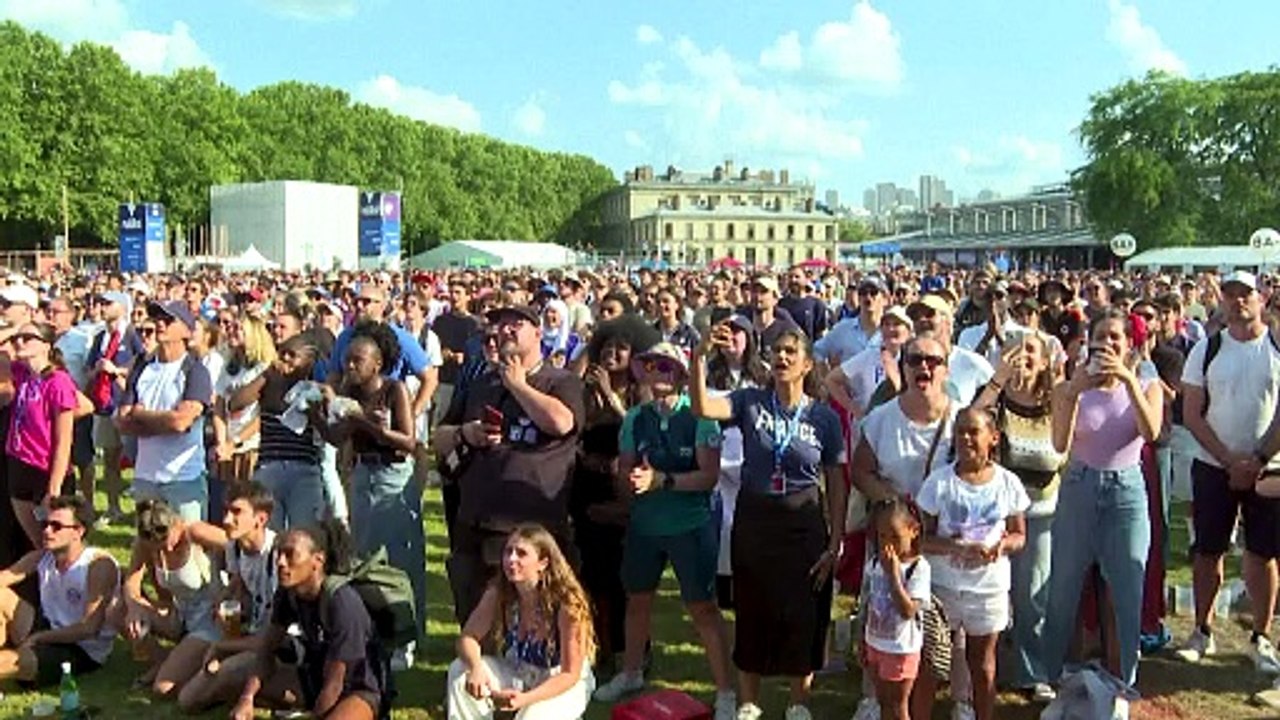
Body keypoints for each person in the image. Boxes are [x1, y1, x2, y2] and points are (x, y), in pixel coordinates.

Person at [691, 327, 848, 720]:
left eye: (791, 352)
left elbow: (836, 481)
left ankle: (798, 702)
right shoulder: (750, 401)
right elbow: (702, 408)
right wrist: (699, 356)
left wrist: (836, 539)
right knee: (753, 605)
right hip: (756, 518)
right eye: (776, 351)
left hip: (804, 520)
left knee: (804, 610)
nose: (782, 357)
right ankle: (748, 701)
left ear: (807, 364)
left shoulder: (824, 418)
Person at [591, 343, 735, 718]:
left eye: (667, 367)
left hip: (691, 524)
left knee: (702, 607)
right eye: (652, 366)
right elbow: (625, 469)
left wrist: (662, 480)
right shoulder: (635, 418)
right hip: (645, 523)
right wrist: (627, 477)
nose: (659, 373)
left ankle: (725, 691)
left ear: (682, 375)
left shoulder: (701, 418)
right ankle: (632, 672)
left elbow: (708, 476)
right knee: (637, 599)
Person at [434, 303, 585, 626]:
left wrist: (518, 385)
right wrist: (466, 432)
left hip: (530, 526)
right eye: (501, 324)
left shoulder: (561, 381)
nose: (507, 329)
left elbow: (560, 423)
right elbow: (438, 437)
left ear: (538, 333)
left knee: (529, 620)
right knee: (473, 613)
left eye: (517, 323)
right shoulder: (482, 383)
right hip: (474, 520)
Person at [1043, 308, 1162, 712]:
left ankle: (1124, 680)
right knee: (1063, 585)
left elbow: (1152, 433)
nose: (1108, 346)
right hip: (1078, 484)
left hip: (1126, 490)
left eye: (1116, 338)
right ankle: (1056, 675)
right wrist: (1073, 390)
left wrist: (1127, 379)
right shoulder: (1070, 387)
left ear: (1130, 345)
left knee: (1128, 584)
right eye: (1101, 338)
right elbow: (1060, 443)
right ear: (1087, 343)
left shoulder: (1147, 384)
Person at [849, 333, 958, 720]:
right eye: (914, 360)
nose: (923, 368)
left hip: (941, 545)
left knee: (929, 634)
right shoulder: (881, 419)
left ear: (947, 367)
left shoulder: (960, 419)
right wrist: (891, 503)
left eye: (932, 360)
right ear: (904, 366)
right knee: (881, 619)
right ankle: (874, 699)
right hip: (893, 540)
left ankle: (922, 707)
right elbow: (860, 470)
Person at [1177, 270, 1280, 674]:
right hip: (1212, 466)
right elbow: (1192, 412)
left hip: (1269, 467)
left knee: (1264, 554)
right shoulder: (1206, 348)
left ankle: (1261, 635)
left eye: (1246, 295)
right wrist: (1227, 460)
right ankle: (1202, 629)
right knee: (1207, 552)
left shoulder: (1276, 347)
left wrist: (1255, 458)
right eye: (1231, 294)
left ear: (1262, 298)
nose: (1238, 302)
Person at [316, 321, 424, 648]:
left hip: (393, 476)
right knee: (364, 555)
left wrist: (367, 423)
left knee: (400, 557)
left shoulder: (394, 390)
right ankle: (375, 628)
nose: (349, 367)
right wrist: (317, 418)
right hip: (363, 474)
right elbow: (338, 437)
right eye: (347, 360)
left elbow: (407, 441)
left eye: (357, 360)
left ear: (376, 363)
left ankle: (408, 635)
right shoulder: (348, 393)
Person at [916, 407, 1028, 720]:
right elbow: (920, 540)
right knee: (931, 664)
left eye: (973, 431)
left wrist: (1001, 546)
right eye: (961, 431)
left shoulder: (1008, 483)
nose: (965, 438)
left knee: (983, 664)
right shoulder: (938, 483)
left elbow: (1020, 535)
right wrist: (955, 546)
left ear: (993, 437)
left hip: (988, 589)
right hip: (944, 588)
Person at [972, 334, 1063, 701]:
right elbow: (971, 422)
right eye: (1015, 349)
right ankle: (980, 673)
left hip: (1042, 512)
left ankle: (1030, 671)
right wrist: (997, 380)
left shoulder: (1056, 401)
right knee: (990, 594)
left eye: (1030, 351)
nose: (1022, 357)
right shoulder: (997, 399)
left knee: (1032, 596)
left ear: (1044, 362)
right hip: (996, 515)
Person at [571, 315, 659, 669]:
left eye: (621, 348)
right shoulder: (586, 390)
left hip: (625, 490)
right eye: (606, 347)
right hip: (589, 487)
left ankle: (634, 650)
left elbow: (642, 430)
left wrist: (610, 396)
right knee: (591, 574)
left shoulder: (642, 391)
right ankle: (600, 646)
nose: (612, 353)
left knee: (625, 575)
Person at [231, 520, 385, 720]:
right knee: (230, 680)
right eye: (279, 554)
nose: (280, 562)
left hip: (358, 690)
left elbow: (336, 682)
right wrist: (247, 698)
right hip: (315, 678)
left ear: (317, 561)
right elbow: (267, 649)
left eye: (290, 554)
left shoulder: (343, 603)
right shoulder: (288, 593)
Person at [447, 524, 597, 720]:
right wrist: (476, 669)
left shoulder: (567, 606)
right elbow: (468, 637)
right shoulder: (499, 593)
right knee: (460, 670)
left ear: (543, 563)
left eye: (521, 554)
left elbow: (570, 674)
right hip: (519, 671)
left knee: (531, 717)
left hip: (560, 682)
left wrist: (525, 700)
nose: (511, 559)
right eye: (508, 552)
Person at [177, 483, 280, 713]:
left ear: (260, 519)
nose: (226, 519)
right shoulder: (235, 546)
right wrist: (226, 604)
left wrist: (223, 647)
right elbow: (240, 585)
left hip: (275, 646)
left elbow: (274, 635)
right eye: (226, 510)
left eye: (236, 512)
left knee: (215, 677)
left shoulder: (278, 556)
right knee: (185, 699)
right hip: (248, 634)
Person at [0, 495, 119, 687]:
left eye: (56, 526)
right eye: (45, 524)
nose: (47, 531)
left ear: (78, 531)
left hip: (80, 649)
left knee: (10, 661)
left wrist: (40, 638)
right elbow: (5, 577)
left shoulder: (98, 565)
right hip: (48, 627)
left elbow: (89, 628)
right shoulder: (42, 557)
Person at [115, 300, 215, 522]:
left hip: (183, 478)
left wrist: (142, 416)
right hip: (146, 476)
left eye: (169, 320)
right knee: (149, 549)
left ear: (186, 331)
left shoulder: (195, 371)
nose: (160, 323)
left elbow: (181, 422)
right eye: (157, 318)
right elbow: (122, 421)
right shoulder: (142, 368)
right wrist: (165, 422)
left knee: (188, 550)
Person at [122, 498, 227, 697]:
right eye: (157, 547)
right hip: (179, 615)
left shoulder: (194, 532)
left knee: (163, 688)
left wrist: (228, 590)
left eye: (167, 541)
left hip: (209, 620)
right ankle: (168, 659)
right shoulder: (145, 543)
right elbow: (131, 583)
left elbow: (235, 544)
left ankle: (210, 667)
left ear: (175, 524)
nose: (167, 550)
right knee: (117, 610)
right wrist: (134, 607)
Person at [0, 323, 92, 547]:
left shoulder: (58, 381)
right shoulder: (22, 373)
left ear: (46, 346)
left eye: (28, 338)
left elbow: (63, 442)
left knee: (57, 544)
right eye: (18, 339)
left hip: (46, 470)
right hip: (20, 466)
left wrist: (54, 487)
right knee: (37, 544)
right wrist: (14, 331)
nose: (20, 342)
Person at [229, 333, 328, 529]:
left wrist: (314, 410)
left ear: (309, 361)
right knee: (269, 536)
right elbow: (236, 403)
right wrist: (265, 376)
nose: (285, 360)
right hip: (269, 467)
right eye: (282, 353)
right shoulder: (269, 382)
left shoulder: (315, 390)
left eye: (292, 355)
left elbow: (329, 431)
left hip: (304, 472)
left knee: (304, 534)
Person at [860, 500, 930, 720]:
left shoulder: (918, 568)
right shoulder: (873, 564)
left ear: (913, 531)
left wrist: (893, 576)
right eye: (882, 537)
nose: (887, 545)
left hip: (901, 649)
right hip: (876, 643)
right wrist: (862, 639)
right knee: (883, 702)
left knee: (898, 705)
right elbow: (867, 604)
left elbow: (908, 611)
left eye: (894, 537)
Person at [84, 290, 144, 525]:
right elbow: (89, 369)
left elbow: (144, 366)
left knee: (137, 459)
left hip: (126, 404)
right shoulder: (101, 337)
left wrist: (116, 371)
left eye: (108, 303)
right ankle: (112, 506)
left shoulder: (132, 335)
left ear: (122, 306)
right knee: (109, 460)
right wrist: (99, 369)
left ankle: (141, 508)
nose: (103, 306)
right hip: (105, 405)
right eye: (102, 302)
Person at [214, 314, 274, 487]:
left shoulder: (264, 368)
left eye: (238, 328)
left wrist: (234, 443)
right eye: (231, 327)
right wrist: (222, 443)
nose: (231, 331)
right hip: (227, 448)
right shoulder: (228, 367)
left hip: (252, 447)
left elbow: (262, 416)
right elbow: (219, 406)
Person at [905, 295, 993, 407]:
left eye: (929, 314)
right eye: (915, 317)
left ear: (947, 320)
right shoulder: (908, 365)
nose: (921, 320)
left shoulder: (974, 364)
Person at [814, 275, 888, 367]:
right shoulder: (843, 328)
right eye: (863, 292)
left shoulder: (892, 332)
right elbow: (816, 351)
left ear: (885, 299)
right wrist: (824, 372)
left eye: (873, 292)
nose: (868, 297)